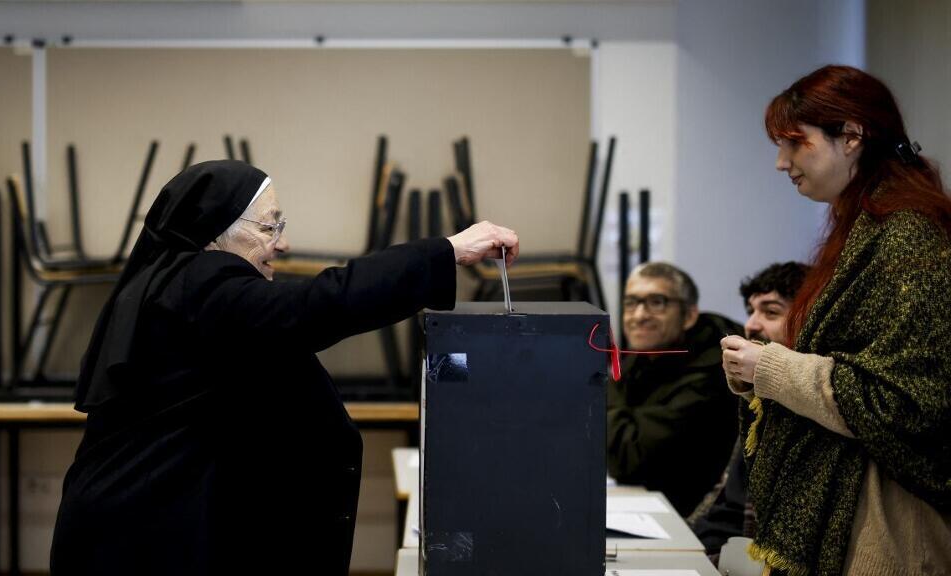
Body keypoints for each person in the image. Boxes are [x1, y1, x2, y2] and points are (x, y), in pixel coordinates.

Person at [50, 160, 520, 575]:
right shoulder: (201, 281)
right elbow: (322, 304)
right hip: (144, 542)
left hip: (140, 528)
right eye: (269, 227)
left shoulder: (176, 286)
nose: (284, 243)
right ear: (216, 235)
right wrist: (448, 251)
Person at [722, 65, 951, 575]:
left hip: (891, 528)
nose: (781, 163)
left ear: (851, 136)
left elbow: (903, 404)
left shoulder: (907, 237)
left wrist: (772, 368)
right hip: (864, 511)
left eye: (795, 144)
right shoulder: (869, 227)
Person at [691, 261, 808, 559]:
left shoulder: (809, 413)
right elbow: (722, 503)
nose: (751, 325)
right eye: (751, 311)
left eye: (770, 312)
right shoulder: (759, 400)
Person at [607, 262, 741, 517]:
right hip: (645, 506)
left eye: (656, 302)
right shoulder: (644, 356)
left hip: (686, 521)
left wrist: (604, 380)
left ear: (689, 315)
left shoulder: (714, 373)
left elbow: (627, 457)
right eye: (631, 303)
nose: (639, 315)